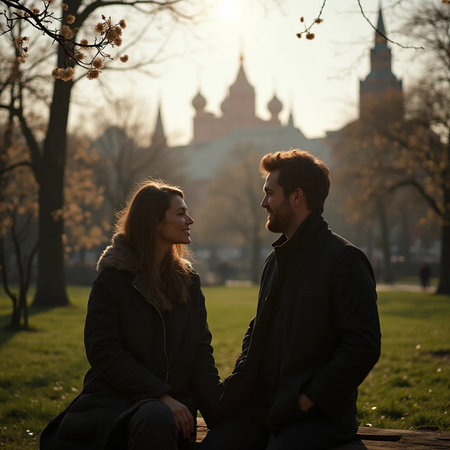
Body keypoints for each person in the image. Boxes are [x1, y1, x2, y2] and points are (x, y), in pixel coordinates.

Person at [200, 150, 381, 450]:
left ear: (297, 197)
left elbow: (362, 347)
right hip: (265, 410)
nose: (263, 203)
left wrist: (307, 400)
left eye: (270, 193)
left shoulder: (344, 260)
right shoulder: (275, 260)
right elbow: (256, 333)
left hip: (315, 418)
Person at [40, 180, 222, 450]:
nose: (190, 220)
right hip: (116, 405)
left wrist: (220, 415)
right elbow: (104, 352)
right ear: (155, 223)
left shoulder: (188, 283)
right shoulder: (114, 279)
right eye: (181, 213)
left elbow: (200, 355)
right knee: (156, 416)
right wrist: (161, 395)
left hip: (173, 408)